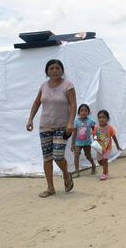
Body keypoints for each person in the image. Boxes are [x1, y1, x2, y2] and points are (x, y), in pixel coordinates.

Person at [26, 59, 76, 198]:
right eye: (52, 68)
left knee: (58, 156)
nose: (55, 70)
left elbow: (73, 105)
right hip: (45, 126)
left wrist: (71, 123)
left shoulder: (68, 85)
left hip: (62, 126)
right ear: (47, 72)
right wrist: (30, 119)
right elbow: (36, 103)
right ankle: (50, 188)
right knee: (47, 158)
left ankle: (66, 175)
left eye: (57, 68)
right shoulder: (43, 86)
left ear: (62, 70)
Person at [93, 110, 122, 181]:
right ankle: (106, 168)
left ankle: (104, 174)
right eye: (99, 117)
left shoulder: (110, 127)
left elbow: (114, 137)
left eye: (103, 117)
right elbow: (94, 136)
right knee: (100, 162)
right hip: (99, 148)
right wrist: (95, 141)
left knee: (105, 159)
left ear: (107, 119)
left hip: (107, 148)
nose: (101, 119)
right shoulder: (96, 128)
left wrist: (117, 146)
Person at [71, 104, 96, 178]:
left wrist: (96, 139)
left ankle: (93, 165)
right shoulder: (76, 121)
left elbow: (95, 131)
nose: (83, 112)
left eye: (85, 110)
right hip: (78, 143)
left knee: (88, 156)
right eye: (81, 110)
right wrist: (72, 144)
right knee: (76, 155)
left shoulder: (90, 121)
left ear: (88, 112)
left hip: (87, 143)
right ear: (79, 113)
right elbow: (74, 133)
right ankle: (77, 172)